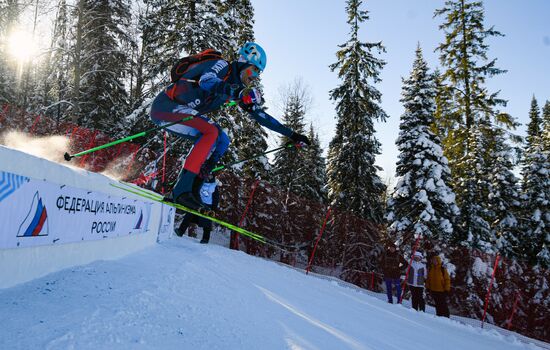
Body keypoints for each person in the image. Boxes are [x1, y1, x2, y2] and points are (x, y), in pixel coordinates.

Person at [150, 42, 310, 209]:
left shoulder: (238, 88)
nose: (255, 76)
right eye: (254, 69)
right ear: (243, 62)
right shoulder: (223, 66)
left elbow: (260, 116)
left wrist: (292, 135)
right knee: (211, 132)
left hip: (182, 111)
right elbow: (206, 81)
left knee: (222, 140)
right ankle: (181, 191)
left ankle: (194, 189)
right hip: (165, 106)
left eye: (258, 72)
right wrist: (238, 93)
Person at [175, 173, 219, 244]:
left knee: (206, 222)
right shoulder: (200, 182)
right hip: (198, 203)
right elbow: (194, 190)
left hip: (207, 205)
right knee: (188, 216)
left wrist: (213, 209)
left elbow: (216, 198)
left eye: (210, 176)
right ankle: (180, 231)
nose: (208, 177)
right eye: (208, 175)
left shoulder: (214, 186)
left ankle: (205, 239)